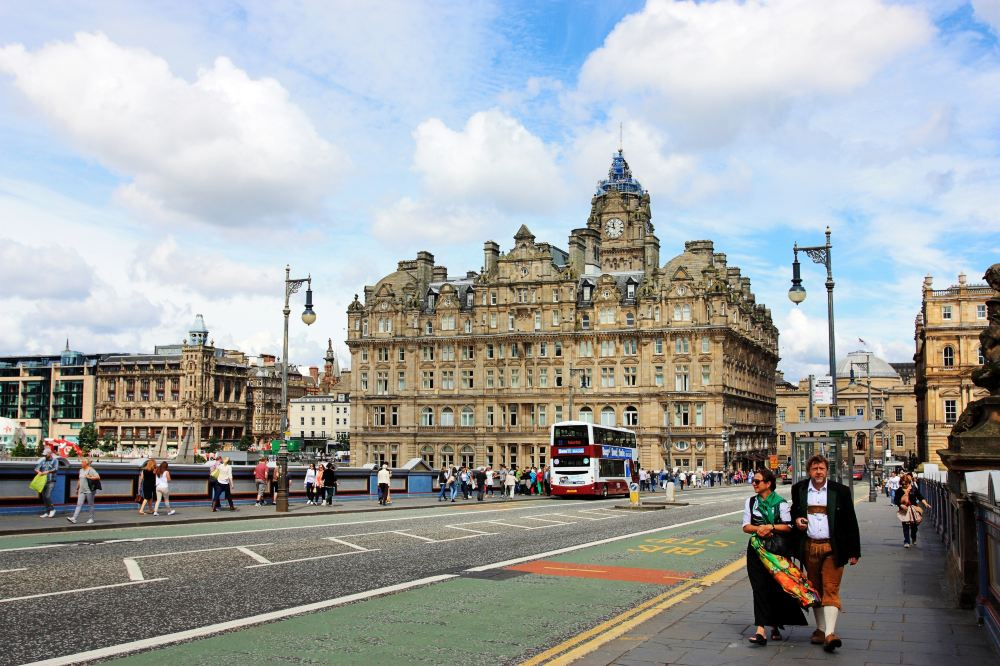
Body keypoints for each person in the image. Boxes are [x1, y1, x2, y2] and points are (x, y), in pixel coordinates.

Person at [791, 455, 861, 653]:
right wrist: (797, 519)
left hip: (833, 547)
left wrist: (854, 551)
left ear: (827, 471)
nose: (818, 472)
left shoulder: (841, 491)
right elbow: (794, 511)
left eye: (821, 468)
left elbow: (850, 521)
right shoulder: (800, 489)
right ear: (809, 471)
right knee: (815, 589)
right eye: (815, 469)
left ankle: (830, 634)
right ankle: (820, 629)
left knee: (830, 588)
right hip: (809, 547)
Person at [743, 468, 807, 645]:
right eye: (753, 481)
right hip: (756, 549)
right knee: (759, 588)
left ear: (768, 483)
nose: (754, 484)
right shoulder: (750, 502)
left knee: (775, 587)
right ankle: (760, 630)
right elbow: (746, 526)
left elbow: (787, 526)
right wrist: (759, 529)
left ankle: (775, 625)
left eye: (757, 481)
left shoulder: (781, 503)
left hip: (776, 550)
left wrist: (770, 527)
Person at [893, 474, 931, 548]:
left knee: (914, 526)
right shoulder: (899, 491)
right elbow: (896, 500)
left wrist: (926, 504)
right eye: (902, 484)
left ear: (909, 482)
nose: (904, 485)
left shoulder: (913, 489)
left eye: (905, 483)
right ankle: (906, 541)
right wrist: (900, 505)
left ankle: (913, 537)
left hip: (913, 509)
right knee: (905, 526)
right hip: (904, 510)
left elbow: (920, 497)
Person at [67, 457, 101, 524]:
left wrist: (90, 477)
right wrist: (77, 488)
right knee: (79, 504)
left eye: (82, 462)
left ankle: (91, 518)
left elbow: (98, 477)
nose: (81, 463)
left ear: (86, 463)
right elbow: (79, 480)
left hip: (89, 490)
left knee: (90, 505)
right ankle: (74, 518)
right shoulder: (81, 470)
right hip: (81, 490)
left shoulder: (91, 470)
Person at [34, 446, 60, 518]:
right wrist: (39, 472)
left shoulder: (55, 460)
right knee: (44, 497)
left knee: (47, 495)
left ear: (49, 454)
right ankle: (47, 511)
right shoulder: (43, 461)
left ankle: (52, 509)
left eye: (45, 454)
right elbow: (36, 468)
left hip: (51, 480)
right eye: (44, 454)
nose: (44, 456)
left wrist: (48, 471)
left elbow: (56, 469)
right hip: (43, 481)